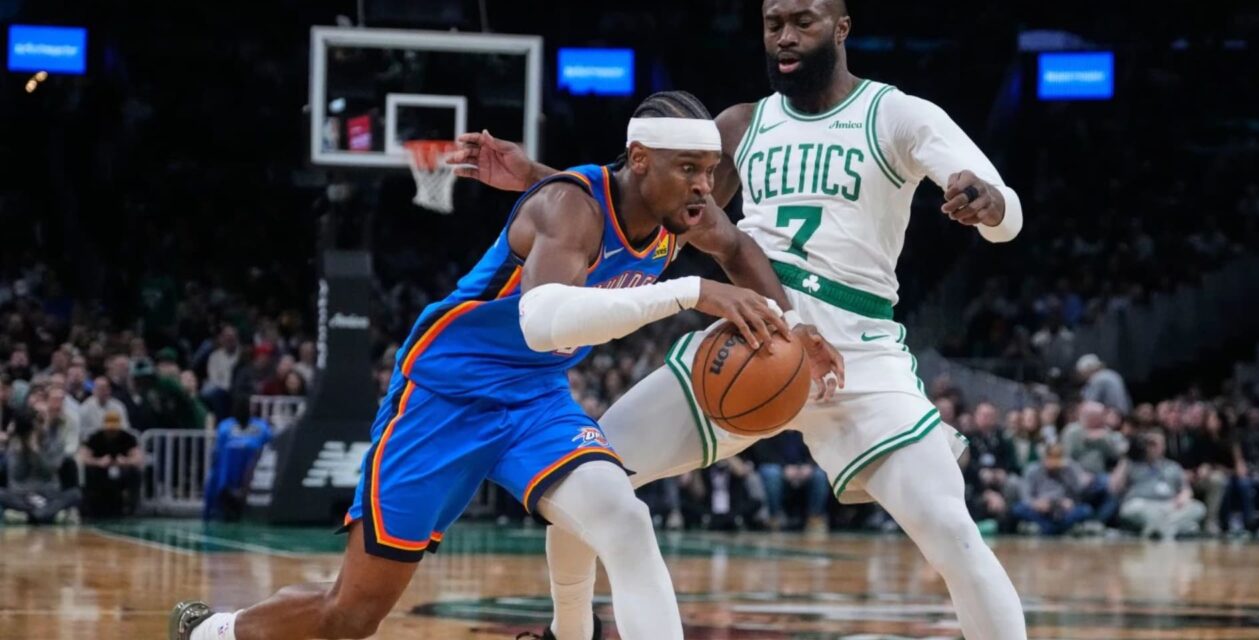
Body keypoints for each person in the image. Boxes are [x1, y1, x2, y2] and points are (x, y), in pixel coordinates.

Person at [169, 91, 838, 640]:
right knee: (350, 615)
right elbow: (543, 321)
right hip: (442, 394)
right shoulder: (566, 206)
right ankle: (215, 632)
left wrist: (800, 329)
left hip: (534, 400)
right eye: (686, 169)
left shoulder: (679, 209)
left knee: (625, 521)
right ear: (638, 159)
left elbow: (739, 247)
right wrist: (689, 294)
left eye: (706, 170)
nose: (702, 188)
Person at [453, 0, 1028, 637]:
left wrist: (989, 205)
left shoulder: (895, 113)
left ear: (841, 29)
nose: (784, 37)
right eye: (772, 22)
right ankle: (569, 630)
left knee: (952, 530)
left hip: (857, 357)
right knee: (592, 474)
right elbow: (646, 207)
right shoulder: (739, 125)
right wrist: (537, 178)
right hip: (749, 339)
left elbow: (1006, 212)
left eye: (803, 22)